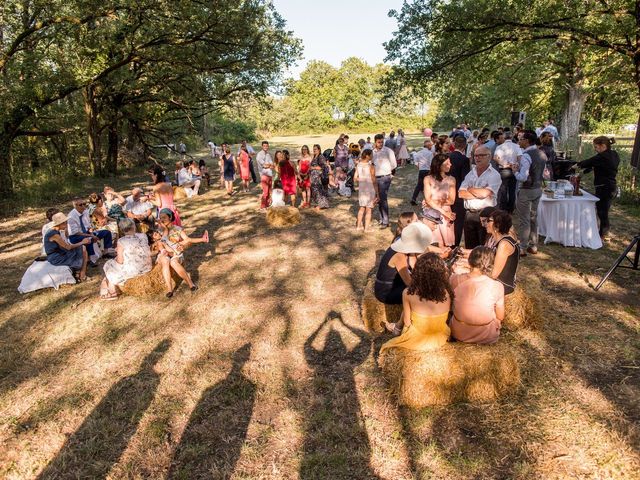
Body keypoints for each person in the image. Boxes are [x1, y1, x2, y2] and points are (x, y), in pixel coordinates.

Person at [380, 253, 452, 351]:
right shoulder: (446, 293)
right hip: (439, 336)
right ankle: (396, 328)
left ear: (418, 272)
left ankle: (396, 328)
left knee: (408, 311)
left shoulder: (408, 293)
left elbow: (407, 322)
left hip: (417, 339)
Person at [374, 222, 433, 317]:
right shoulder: (399, 256)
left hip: (397, 283)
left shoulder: (405, 248)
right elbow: (409, 283)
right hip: (387, 291)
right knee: (422, 292)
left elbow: (414, 264)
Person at [450, 246, 505, 344]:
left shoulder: (454, 279)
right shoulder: (497, 286)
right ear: (490, 264)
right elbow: (500, 316)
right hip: (487, 335)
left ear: (469, 261)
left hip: (458, 332)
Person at [576, 136, 620, 238]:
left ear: (603, 146)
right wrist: (587, 170)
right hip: (611, 186)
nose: (595, 149)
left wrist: (577, 165)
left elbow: (589, 162)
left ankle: (603, 235)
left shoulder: (602, 157)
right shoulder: (614, 155)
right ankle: (603, 233)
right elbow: (597, 165)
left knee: (602, 211)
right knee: (603, 210)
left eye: (596, 147)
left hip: (605, 187)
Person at [459, 146, 501, 249]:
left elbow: (485, 193)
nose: (478, 158)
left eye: (481, 155)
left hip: (486, 215)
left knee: (484, 246)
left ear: (489, 157)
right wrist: (479, 192)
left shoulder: (494, 175)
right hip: (469, 214)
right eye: (476, 155)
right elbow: (461, 193)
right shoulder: (471, 173)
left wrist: (469, 189)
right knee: (470, 246)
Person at [99, 218, 153, 300]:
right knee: (112, 264)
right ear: (134, 226)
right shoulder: (143, 235)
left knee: (109, 265)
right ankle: (111, 289)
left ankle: (112, 291)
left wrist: (115, 260)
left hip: (135, 269)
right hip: (147, 265)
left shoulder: (121, 241)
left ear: (122, 229)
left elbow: (120, 261)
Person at [157, 208, 202, 297]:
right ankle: (169, 289)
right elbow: (158, 243)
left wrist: (183, 246)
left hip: (176, 253)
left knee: (174, 262)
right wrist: (163, 250)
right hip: (164, 253)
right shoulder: (159, 230)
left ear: (170, 217)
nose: (162, 220)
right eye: (161, 218)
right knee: (165, 261)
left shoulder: (178, 229)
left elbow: (187, 241)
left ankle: (191, 284)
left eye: (164, 217)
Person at [515, 130, 547, 256]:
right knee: (533, 218)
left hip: (526, 189)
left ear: (527, 141)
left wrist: (515, 171)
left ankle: (522, 247)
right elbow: (545, 174)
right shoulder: (542, 154)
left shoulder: (526, 155)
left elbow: (522, 177)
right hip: (538, 188)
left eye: (521, 138)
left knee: (524, 220)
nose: (519, 140)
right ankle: (533, 245)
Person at [44, 212, 91, 282]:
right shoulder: (53, 234)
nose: (67, 224)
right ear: (60, 224)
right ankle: (81, 274)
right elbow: (68, 247)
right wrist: (82, 242)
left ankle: (81, 273)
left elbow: (64, 245)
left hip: (60, 252)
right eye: (65, 222)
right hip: (56, 257)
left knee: (82, 248)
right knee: (82, 248)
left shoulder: (57, 231)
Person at [67, 197, 115, 264]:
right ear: (75, 206)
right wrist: (91, 236)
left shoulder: (85, 211)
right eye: (81, 205)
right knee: (88, 239)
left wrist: (92, 234)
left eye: (84, 204)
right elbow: (76, 232)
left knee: (106, 232)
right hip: (75, 236)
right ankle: (90, 259)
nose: (83, 206)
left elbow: (88, 226)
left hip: (86, 233)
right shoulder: (71, 217)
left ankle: (105, 253)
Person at [423, 153, 456, 247]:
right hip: (432, 215)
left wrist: (433, 202)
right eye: (447, 163)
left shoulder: (451, 180)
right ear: (439, 165)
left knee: (446, 244)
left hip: (446, 215)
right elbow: (427, 199)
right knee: (433, 243)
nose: (450, 165)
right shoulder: (427, 179)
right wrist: (442, 210)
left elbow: (451, 200)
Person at [486, 210, 519, 295]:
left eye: (489, 220)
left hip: (502, 286)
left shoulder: (504, 244)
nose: (486, 223)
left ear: (497, 225)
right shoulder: (500, 240)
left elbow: (494, 274)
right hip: (497, 283)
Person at [448, 135, 471, 246]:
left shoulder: (447, 157)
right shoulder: (465, 160)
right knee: (458, 222)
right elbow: (465, 179)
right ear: (465, 146)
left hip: (445, 193)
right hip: (458, 195)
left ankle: (447, 243)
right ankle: (454, 245)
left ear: (454, 145)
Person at [372, 133, 397, 229]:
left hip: (385, 177)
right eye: (379, 142)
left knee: (383, 198)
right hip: (375, 178)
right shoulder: (372, 152)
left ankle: (385, 221)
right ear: (375, 142)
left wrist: (389, 175)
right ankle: (382, 219)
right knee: (378, 199)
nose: (381, 144)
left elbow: (394, 164)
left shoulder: (388, 151)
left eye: (382, 142)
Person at [494, 130, 522, 213]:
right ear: (512, 137)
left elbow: (495, 158)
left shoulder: (500, 147)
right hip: (513, 170)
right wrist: (516, 165)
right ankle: (511, 209)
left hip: (504, 169)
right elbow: (520, 157)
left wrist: (503, 164)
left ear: (504, 138)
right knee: (512, 190)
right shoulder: (517, 146)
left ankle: (503, 208)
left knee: (503, 190)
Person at [354, 149, 379, 231]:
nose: (372, 156)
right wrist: (377, 192)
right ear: (367, 156)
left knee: (361, 208)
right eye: (371, 154)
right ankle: (366, 228)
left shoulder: (358, 165)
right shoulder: (371, 166)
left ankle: (358, 226)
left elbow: (355, 178)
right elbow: (374, 181)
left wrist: (362, 179)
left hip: (362, 189)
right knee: (369, 209)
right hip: (370, 189)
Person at [410, 139, 434, 205]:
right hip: (428, 171)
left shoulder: (419, 153)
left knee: (419, 185)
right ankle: (429, 200)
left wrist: (419, 167)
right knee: (429, 186)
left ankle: (413, 198)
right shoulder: (430, 153)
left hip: (421, 170)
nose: (431, 147)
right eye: (431, 145)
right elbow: (431, 164)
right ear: (428, 146)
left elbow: (415, 162)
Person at [309, 144, 330, 209]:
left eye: (315, 149)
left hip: (318, 177)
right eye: (313, 149)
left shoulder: (321, 157)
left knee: (318, 190)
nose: (314, 150)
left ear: (319, 150)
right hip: (313, 177)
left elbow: (323, 167)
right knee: (315, 190)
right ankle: (322, 204)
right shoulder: (315, 156)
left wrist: (313, 167)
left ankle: (321, 205)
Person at [256, 141, 274, 209]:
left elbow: (272, 165)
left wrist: (269, 165)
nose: (266, 147)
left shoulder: (268, 154)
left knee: (270, 191)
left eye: (267, 146)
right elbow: (264, 165)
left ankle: (267, 204)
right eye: (264, 146)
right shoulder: (259, 155)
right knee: (265, 192)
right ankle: (262, 207)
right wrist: (269, 165)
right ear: (262, 146)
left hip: (269, 174)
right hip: (264, 175)